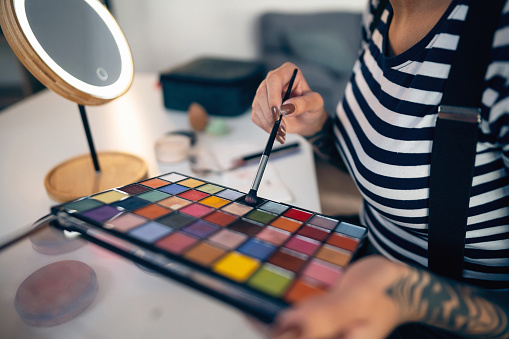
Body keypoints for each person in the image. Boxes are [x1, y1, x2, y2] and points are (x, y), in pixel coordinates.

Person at [250, 0, 509, 338]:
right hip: (360, 268)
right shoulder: (381, 10)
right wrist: (316, 127)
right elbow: (387, 174)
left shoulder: (499, 39)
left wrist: (405, 295)